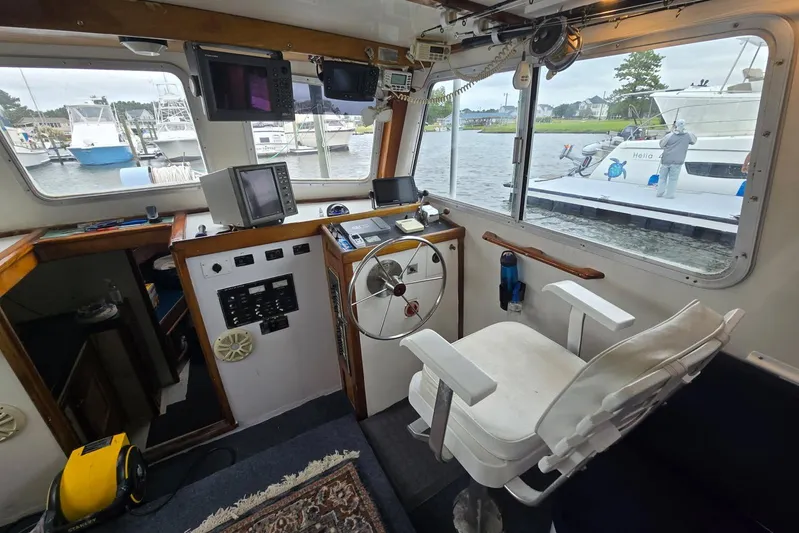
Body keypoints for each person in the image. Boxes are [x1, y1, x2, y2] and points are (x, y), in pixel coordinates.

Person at [656, 118, 697, 199]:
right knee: (673, 179)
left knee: (662, 177)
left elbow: (661, 144)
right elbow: (694, 141)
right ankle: (669, 195)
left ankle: (659, 193)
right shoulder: (689, 135)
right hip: (678, 161)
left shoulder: (669, 135)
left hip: (666, 159)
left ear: (675, 125)